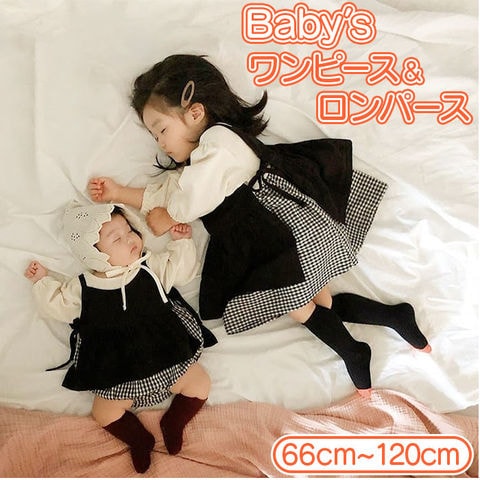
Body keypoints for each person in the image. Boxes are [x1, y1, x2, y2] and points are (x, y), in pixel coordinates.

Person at [88, 54, 431, 398]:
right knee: (320, 303)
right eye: (154, 137)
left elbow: (190, 199)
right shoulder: (198, 161)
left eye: (162, 130)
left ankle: (354, 350)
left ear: (195, 112)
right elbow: (169, 191)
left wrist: (170, 216)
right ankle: (392, 317)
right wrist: (119, 193)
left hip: (279, 232)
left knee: (297, 305)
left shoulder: (218, 142)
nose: (161, 143)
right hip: (266, 240)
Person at [24, 201, 216, 473]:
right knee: (104, 412)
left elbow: (181, 271)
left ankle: (174, 421)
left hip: (167, 354)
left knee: (200, 383)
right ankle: (139, 440)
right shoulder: (85, 287)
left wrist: (181, 243)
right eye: (116, 239)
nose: (129, 239)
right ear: (94, 255)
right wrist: (43, 281)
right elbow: (58, 305)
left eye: (129, 230)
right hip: (118, 371)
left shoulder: (148, 267)